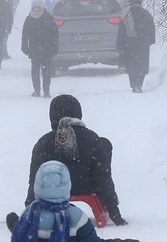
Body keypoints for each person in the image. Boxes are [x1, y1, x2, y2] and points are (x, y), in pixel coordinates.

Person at [8, 161, 145, 242]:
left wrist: (16, 225)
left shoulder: (30, 214)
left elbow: (22, 237)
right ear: (67, 186)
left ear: (37, 186)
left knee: (22, 228)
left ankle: (26, 237)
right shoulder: (76, 216)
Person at [25, 94, 127, 225]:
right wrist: (114, 212)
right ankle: (103, 201)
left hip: (54, 188)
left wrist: (28, 210)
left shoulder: (44, 142)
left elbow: (35, 179)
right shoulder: (92, 139)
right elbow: (103, 177)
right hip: (86, 187)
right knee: (104, 144)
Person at [117, 0, 156, 93]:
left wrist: (120, 44)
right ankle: (138, 84)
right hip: (142, 43)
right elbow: (151, 29)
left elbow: (121, 31)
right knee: (141, 65)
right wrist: (150, 41)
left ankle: (134, 84)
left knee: (132, 65)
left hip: (130, 43)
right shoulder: (146, 14)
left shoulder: (127, 15)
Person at [21, 0, 59, 98]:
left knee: (46, 71)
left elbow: (55, 34)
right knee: (35, 71)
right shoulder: (29, 19)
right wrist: (24, 47)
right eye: (35, 7)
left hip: (47, 49)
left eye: (38, 7)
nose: (36, 10)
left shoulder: (49, 18)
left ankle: (46, 91)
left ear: (42, 7)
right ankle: (36, 90)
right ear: (32, 8)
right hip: (34, 49)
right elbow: (25, 34)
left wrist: (54, 47)